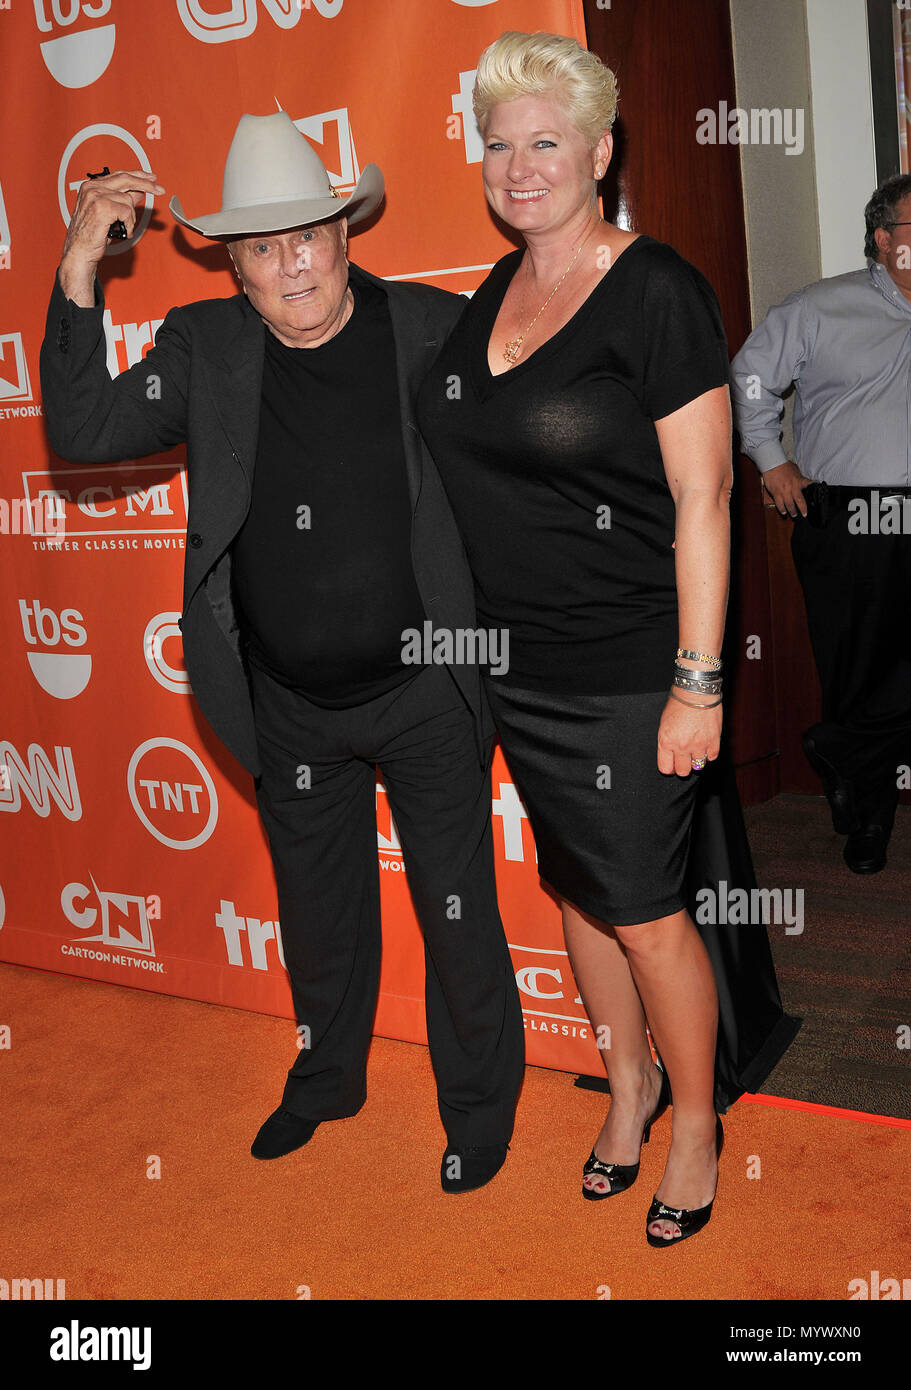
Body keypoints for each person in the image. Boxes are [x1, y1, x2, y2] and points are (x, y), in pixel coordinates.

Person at [39, 111, 524, 1193]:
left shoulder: (435, 331)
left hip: (427, 688)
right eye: (261, 247)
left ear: (346, 233)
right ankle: (327, 1076)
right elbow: (81, 431)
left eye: (306, 234)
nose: (289, 262)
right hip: (285, 697)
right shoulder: (206, 350)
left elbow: (534, 459)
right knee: (318, 911)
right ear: (235, 266)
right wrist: (80, 260)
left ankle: (478, 1110)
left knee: (454, 906)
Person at [418, 30, 740, 1248]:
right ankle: (629, 1089)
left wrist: (696, 684)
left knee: (646, 907)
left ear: (601, 151)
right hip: (521, 675)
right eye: (498, 146)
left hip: (627, 671)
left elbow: (704, 501)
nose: (517, 166)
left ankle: (699, 1124)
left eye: (544, 141)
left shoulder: (654, 290)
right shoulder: (487, 297)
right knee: (578, 893)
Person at [731, 174, 911, 875]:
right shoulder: (821, 305)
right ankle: (866, 820)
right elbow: (748, 378)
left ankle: (839, 746)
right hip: (853, 515)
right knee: (860, 672)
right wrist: (770, 459)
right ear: (883, 238)